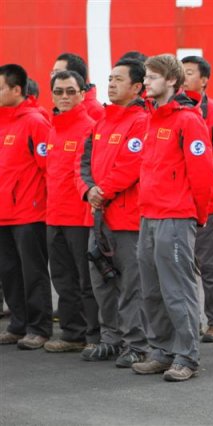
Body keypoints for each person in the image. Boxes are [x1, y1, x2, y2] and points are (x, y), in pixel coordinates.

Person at [131, 54, 213, 382]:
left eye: (152, 77)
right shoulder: (151, 118)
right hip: (149, 215)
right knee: (152, 290)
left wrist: (198, 215)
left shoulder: (188, 120)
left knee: (177, 289)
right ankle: (161, 350)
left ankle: (186, 355)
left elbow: (203, 173)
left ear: (170, 81)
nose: (146, 82)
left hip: (175, 217)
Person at [76, 58, 149, 367]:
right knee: (102, 284)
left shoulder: (140, 121)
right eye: (110, 78)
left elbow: (130, 167)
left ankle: (137, 344)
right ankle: (110, 339)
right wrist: (87, 190)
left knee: (132, 286)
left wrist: (101, 192)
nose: (111, 83)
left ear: (136, 87)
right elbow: (82, 163)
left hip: (127, 220)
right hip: (99, 218)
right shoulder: (102, 123)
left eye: (119, 79)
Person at [44, 70, 100, 353]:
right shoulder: (53, 128)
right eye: (58, 91)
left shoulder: (90, 127)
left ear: (81, 93)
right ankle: (72, 333)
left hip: (79, 218)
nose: (64, 97)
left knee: (86, 281)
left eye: (70, 91)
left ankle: (93, 335)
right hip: (53, 217)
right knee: (63, 280)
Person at [181, 55, 213, 343]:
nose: (184, 78)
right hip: (179, 206)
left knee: (212, 266)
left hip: (209, 204)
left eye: (189, 73)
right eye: (181, 73)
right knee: (183, 267)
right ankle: (192, 321)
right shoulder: (173, 110)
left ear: (204, 80)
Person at [0, 64, 53, 350]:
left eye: (0, 88)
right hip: (3, 212)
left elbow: (49, 168)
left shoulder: (35, 121)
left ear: (16, 89)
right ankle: (18, 324)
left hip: (29, 212)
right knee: (8, 271)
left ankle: (39, 327)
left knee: (32, 271)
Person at [52, 53, 105, 121]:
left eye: (58, 73)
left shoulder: (96, 111)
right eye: (53, 73)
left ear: (75, 75)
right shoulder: (61, 108)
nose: (53, 77)